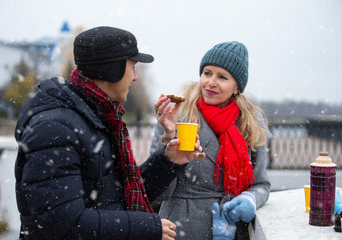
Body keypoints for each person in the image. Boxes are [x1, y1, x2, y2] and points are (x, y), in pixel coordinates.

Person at [14, 26, 205, 240]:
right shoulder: (54, 129)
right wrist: (148, 228)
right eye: (132, 67)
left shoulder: (98, 117)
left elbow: (117, 195)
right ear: (112, 70)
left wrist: (168, 160)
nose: (135, 78)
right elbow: (63, 224)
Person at [151, 41, 271, 239]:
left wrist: (250, 199)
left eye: (222, 77)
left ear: (236, 87)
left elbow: (262, 184)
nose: (210, 82)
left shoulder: (250, 123)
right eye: (207, 73)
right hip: (181, 228)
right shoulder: (178, 115)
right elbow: (159, 191)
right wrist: (167, 137)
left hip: (232, 228)